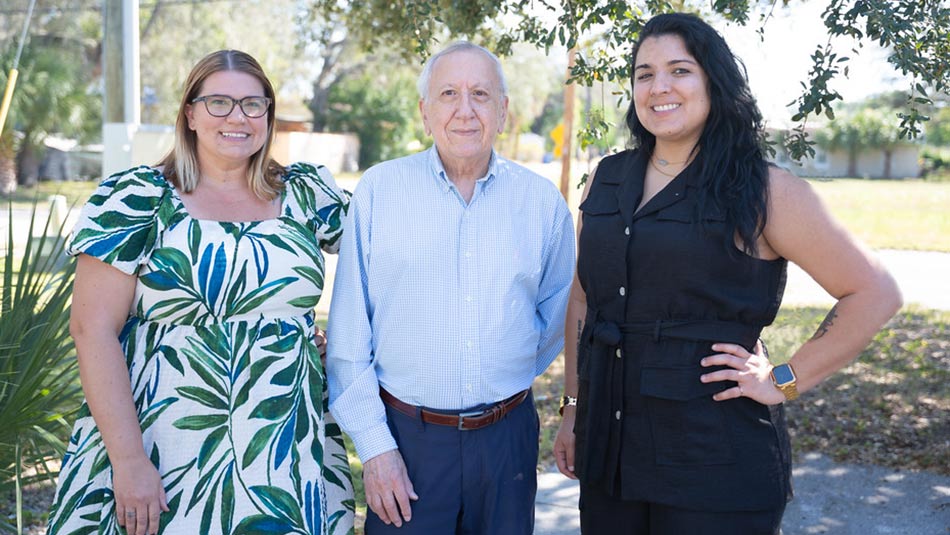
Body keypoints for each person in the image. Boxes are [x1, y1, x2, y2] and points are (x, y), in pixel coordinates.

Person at [552, 13, 902, 534]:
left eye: (679, 70)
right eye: (644, 73)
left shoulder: (762, 190)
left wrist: (785, 379)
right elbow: (584, 300)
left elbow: (874, 291)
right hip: (610, 457)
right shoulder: (605, 179)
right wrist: (574, 408)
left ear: (713, 80)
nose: (659, 86)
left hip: (714, 465)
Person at [47, 50, 354, 535]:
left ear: (268, 116)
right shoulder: (137, 197)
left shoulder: (307, 194)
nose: (238, 117)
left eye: (254, 104)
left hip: (281, 448)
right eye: (219, 103)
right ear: (189, 114)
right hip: (161, 446)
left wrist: (328, 341)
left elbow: (394, 260)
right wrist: (128, 462)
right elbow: (91, 330)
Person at [326, 41, 575, 534]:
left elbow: (556, 318)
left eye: (481, 94)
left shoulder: (541, 203)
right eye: (448, 94)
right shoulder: (379, 192)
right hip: (407, 443)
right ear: (424, 111)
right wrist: (376, 449)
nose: (465, 110)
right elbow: (349, 340)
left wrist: (502, 374)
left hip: (508, 444)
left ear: (503, 112)